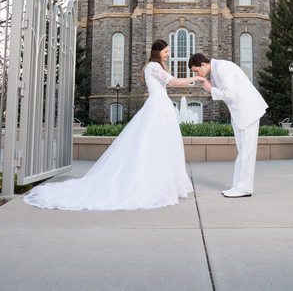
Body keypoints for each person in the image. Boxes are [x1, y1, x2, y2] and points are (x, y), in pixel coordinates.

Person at [24, 39, 203, 211]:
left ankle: (161, 182)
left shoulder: (155, 66)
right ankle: (152, 184)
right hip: (157, 108)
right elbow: (175, 82)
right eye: (166, 52)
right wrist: (196, 78)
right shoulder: (153, 66)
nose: (169, 55)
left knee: (160, 145)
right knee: (153, 145)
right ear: (157, 52)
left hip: (161, 107)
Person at [188, 53, 268, 198]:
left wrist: (211, 89)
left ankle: (243, 188)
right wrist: (211, 87)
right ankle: (239, 186)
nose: (196, 74)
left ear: (203, 64)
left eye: (196, 70)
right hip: (240, 113)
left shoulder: (222, 68)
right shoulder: (216, 69)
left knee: (246, 152)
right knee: (243, 151)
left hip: (247, 111)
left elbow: (230, 94)